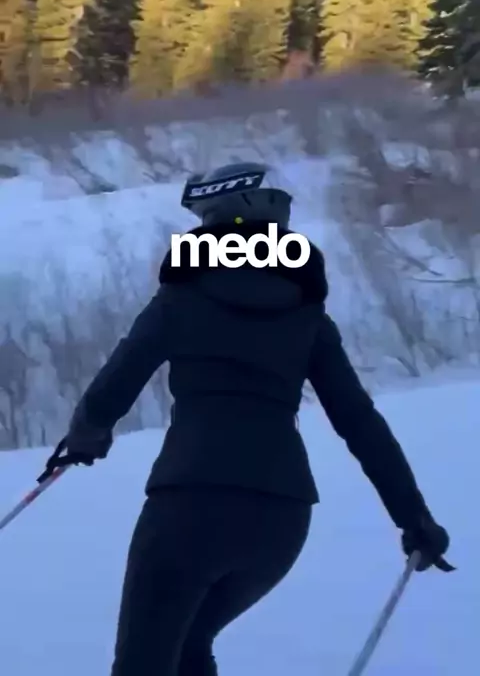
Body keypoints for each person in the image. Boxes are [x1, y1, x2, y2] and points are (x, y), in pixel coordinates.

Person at [47, 162, 451, 676]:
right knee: (190, 645)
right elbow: (359, 421)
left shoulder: (181, 298)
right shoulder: (308, 315)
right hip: (280, 522)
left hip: (190, 505)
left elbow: (117, 381)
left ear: (218, 218)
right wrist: (414, 518)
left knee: (143, 664)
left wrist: (87, 434)